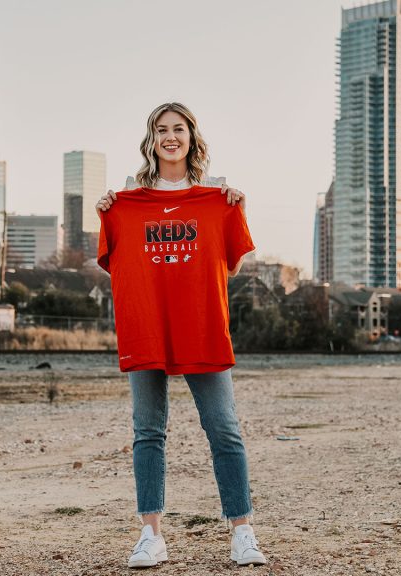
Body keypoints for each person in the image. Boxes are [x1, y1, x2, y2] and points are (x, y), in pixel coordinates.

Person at [95, 102, 267, 568]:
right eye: (161, 129)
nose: (170, 137)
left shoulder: (217, 196)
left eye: (179, 129)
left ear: (192, 137)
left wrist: (238, 210)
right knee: (147, 432)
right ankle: (151, 535)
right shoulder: (125, 201)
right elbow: (113, 255)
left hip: (202, 328)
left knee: (225, 430)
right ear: (151, 139)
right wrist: (108, 210)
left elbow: (231, 263)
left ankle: (242, 531)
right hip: (147, 329)